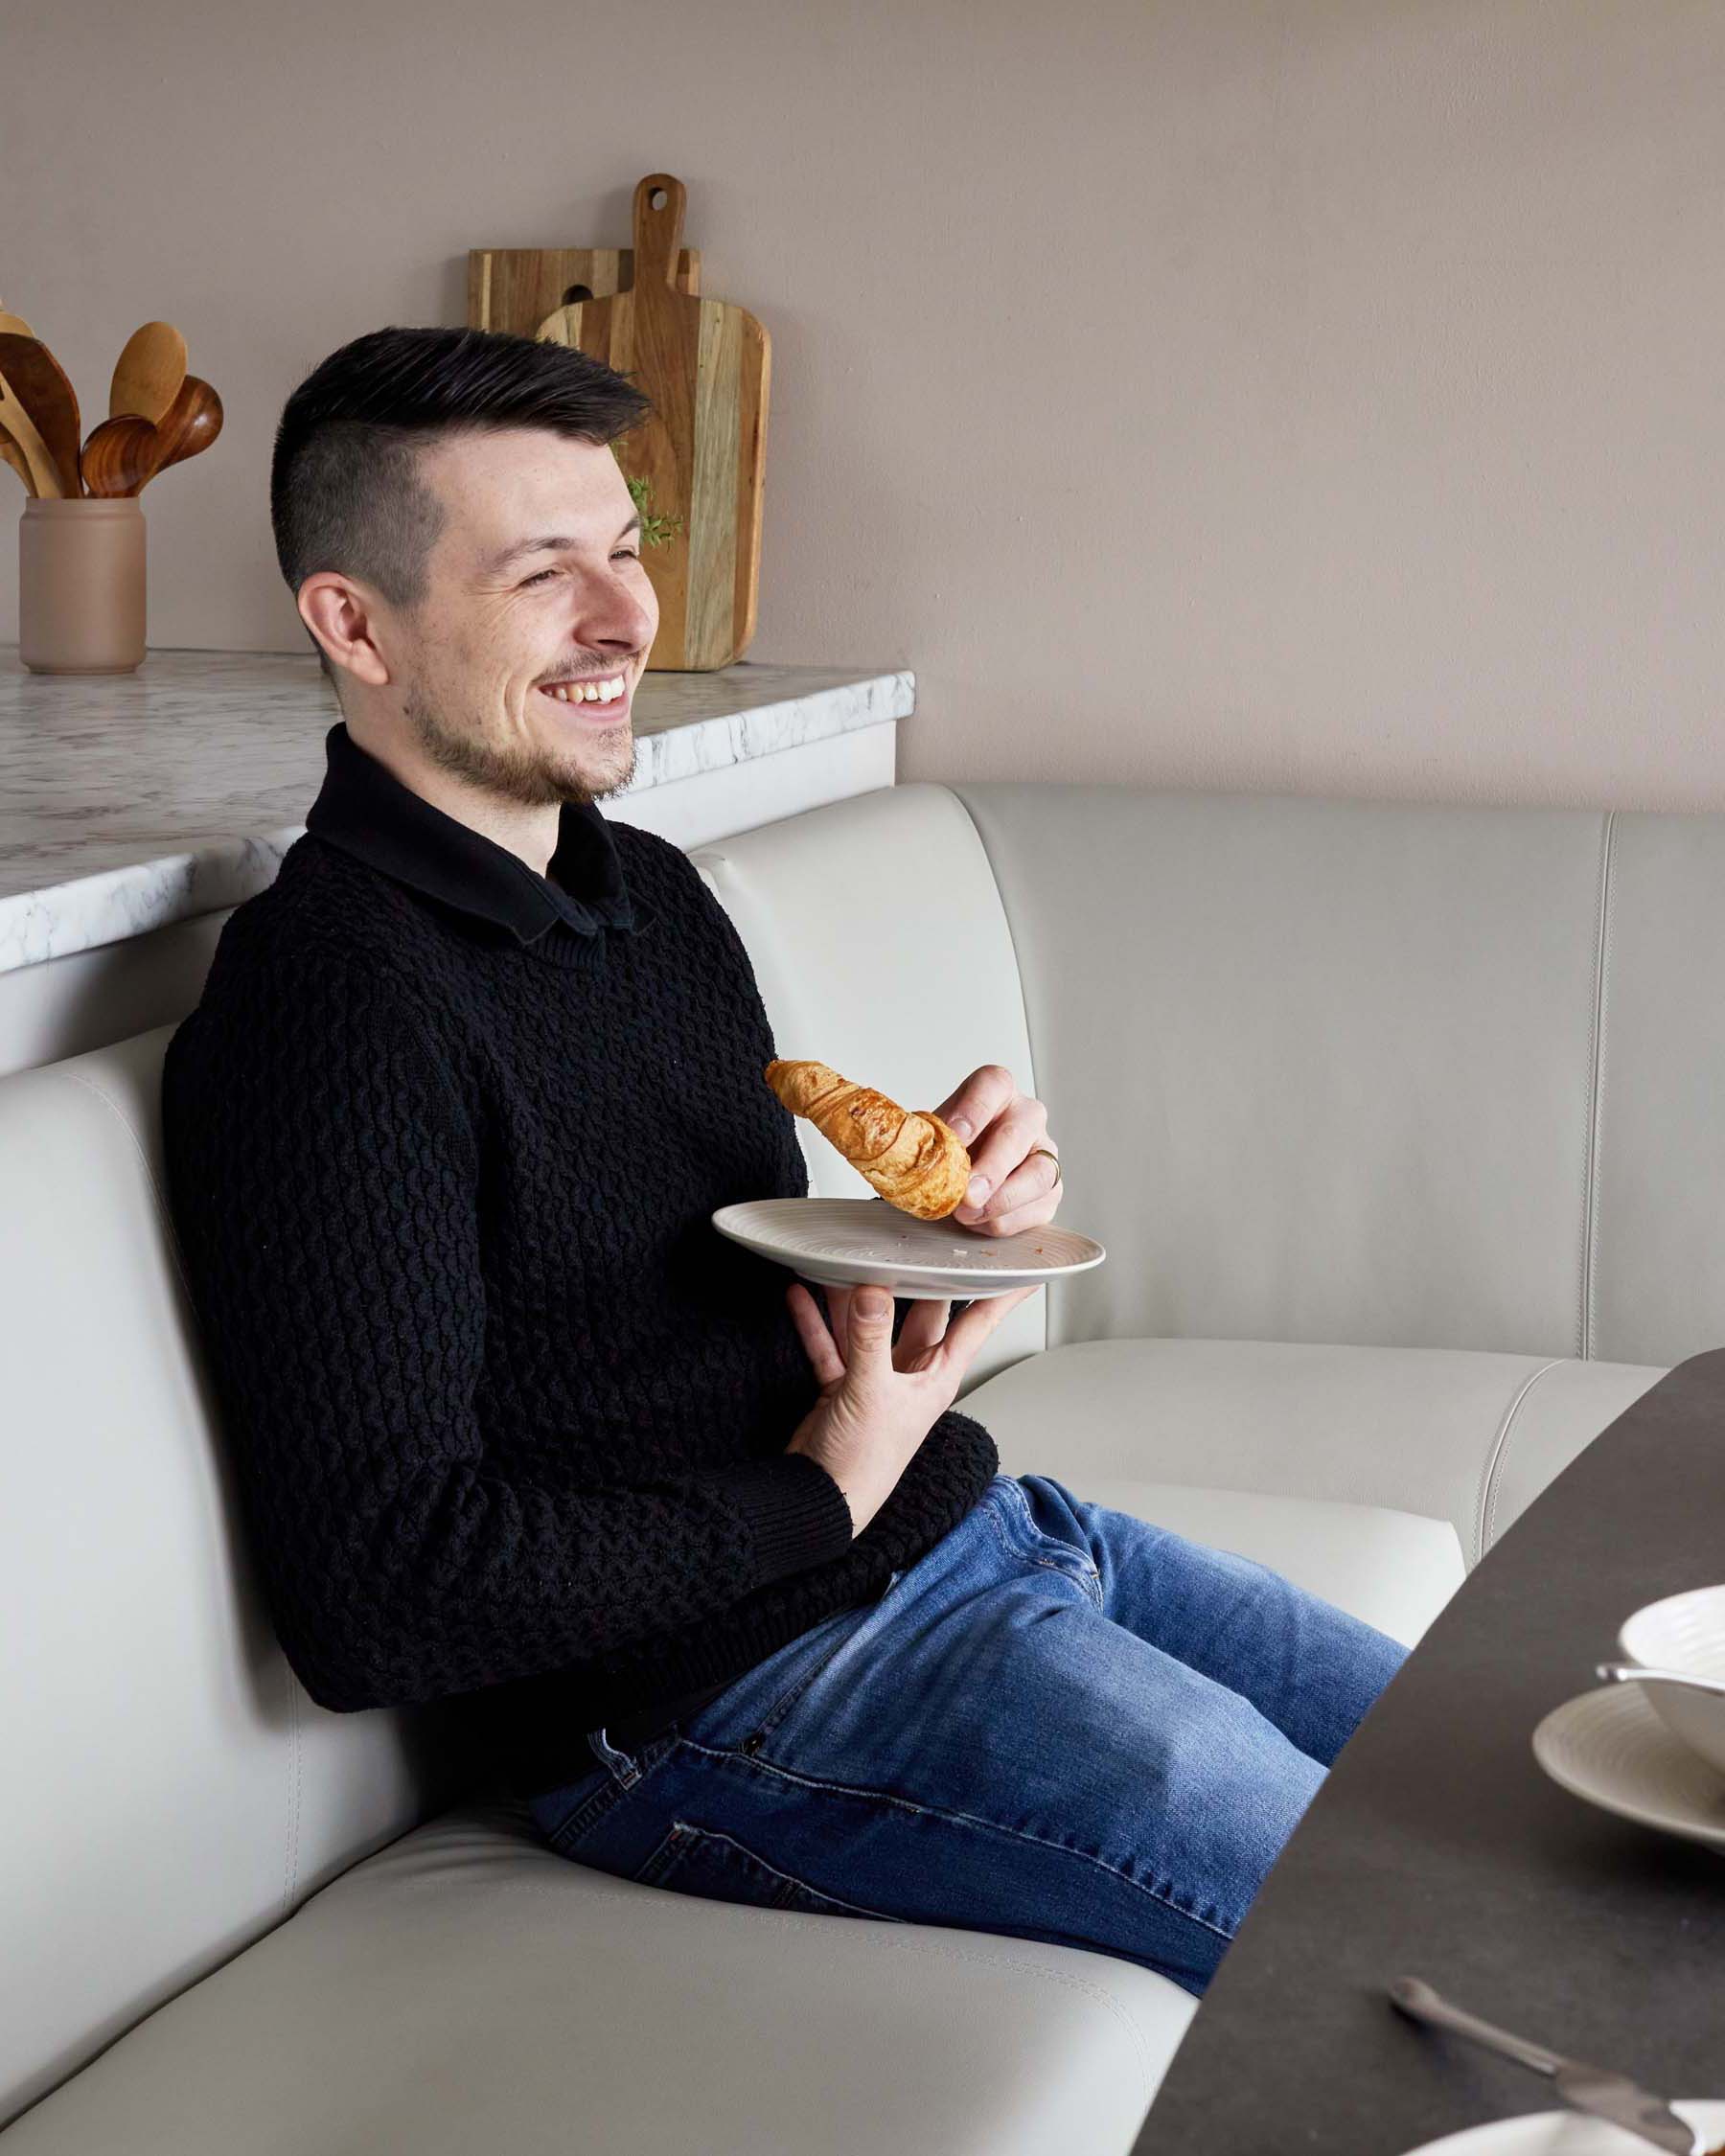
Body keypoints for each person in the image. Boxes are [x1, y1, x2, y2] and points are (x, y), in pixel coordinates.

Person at [160, 324, 1407, 2000]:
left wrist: (939, 1227)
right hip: (718, 1701)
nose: (626, 620)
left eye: (626, 550)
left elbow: (670, 1316)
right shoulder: (331, 1003)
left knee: (1507, 1777)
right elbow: (384, 1590)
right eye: (546, 573)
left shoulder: (652, 898)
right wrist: (818, 1487)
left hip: (977, 1533)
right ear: (353, 622)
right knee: (1411, 1949)